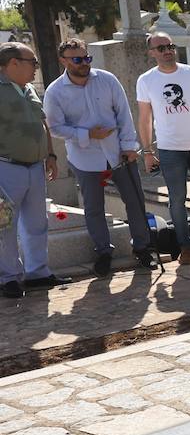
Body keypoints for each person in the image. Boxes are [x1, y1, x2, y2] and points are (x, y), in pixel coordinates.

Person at [43, 38, 156, 274]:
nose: (84, 63)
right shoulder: (55, 92)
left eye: (87, 58)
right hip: (84, 157)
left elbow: (123, 114)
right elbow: (54, 127)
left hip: (118, 153)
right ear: (63, 61)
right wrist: (86, 134)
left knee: (134, 202)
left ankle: (142, 248)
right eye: (77, 59)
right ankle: (103, 251)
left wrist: (128, 145)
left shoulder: (107, 79)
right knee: (94, 208)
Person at [136, 31, 190, 265]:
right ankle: (185, 246)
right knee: (177, 199)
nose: (167, 51)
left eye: (170, 46)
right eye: (161, 48)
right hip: (169, 149)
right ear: (152, 53)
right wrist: (147, 151)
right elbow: (145, 118)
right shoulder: (146, 80)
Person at [0, 42, 68, 298]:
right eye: (32, 63)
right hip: (6, 167)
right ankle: (9, 278)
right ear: (13, 63)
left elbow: (42, 123)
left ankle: (38, 272)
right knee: (4, 226)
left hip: (35, 167)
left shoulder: (28, 89)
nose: (36, 69)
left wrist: (50, 154)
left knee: (37, 223)